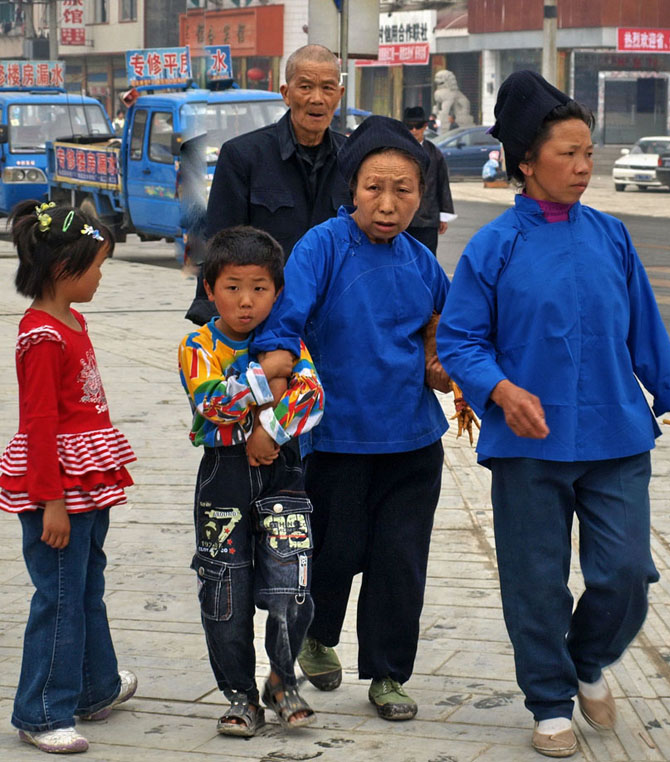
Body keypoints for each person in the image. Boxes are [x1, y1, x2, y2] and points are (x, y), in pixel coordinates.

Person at [436, 71, 670, 759]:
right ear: (527, 161)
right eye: (568, 152)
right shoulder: (494, 246)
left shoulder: (612, 237)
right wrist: (500, 391)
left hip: (615, 434)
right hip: (528, 447)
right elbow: (460, 341)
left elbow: (644, 333)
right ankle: (549, 701)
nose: (584, 166)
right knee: (534, 581)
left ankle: (586, 658)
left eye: (589, 151)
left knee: (626, 573)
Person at [252, 116, 451, 722]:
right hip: (335, 437)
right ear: (351, 187)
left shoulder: (421, 261)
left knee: (400, 560)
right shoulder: (323, 246)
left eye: (404, 190)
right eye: (374, 188)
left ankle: (389, 673)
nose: (389, 204)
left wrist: (451, 370)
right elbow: (285, 322)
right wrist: (270, 403)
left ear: (421, 195)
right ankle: (318, 636)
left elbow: (446, 338)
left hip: (413, 440)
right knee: (334, 551)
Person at [0, 200, 138, 755]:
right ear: (64, 269)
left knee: (86, 586)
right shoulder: (41, 337)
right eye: (97, 265)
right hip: (58, 486)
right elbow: (37, 424)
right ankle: (41, 711)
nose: (102, 275)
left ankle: (94, 687)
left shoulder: (71, 320)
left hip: (88, 478)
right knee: (59, 596)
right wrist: (49, 502)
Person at [178, 227, 325, 736]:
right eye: (233, 287)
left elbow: (311, 399)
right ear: (210, 290)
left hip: (283, 476)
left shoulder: (291, 343)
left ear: (277, 292)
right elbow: (212, 402)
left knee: (294, 585)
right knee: (225, 589)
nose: (246, 301)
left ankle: (281, 681)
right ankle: (240, 694)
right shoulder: (197, 345)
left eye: (259, 288)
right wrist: (267, 376)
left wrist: (268, 431)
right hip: (223, 480)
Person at [186, 44, 350, 325]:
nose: (317, 99)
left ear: (339, 95)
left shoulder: (352, 159)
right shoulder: (243, 155)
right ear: (286, 94)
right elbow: (220, 244)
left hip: (335, 318)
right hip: (265, 319)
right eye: (306, 87)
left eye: (327, 88)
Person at [403, 105, 455, 255]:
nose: (414, 131)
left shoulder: (435, 153)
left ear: (425, 126)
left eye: (418, 126)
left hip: (428, 220)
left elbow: (442, 184)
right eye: (410, 126)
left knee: (427, 259)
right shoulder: (397, 151)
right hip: (402, 217)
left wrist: (444, 216)